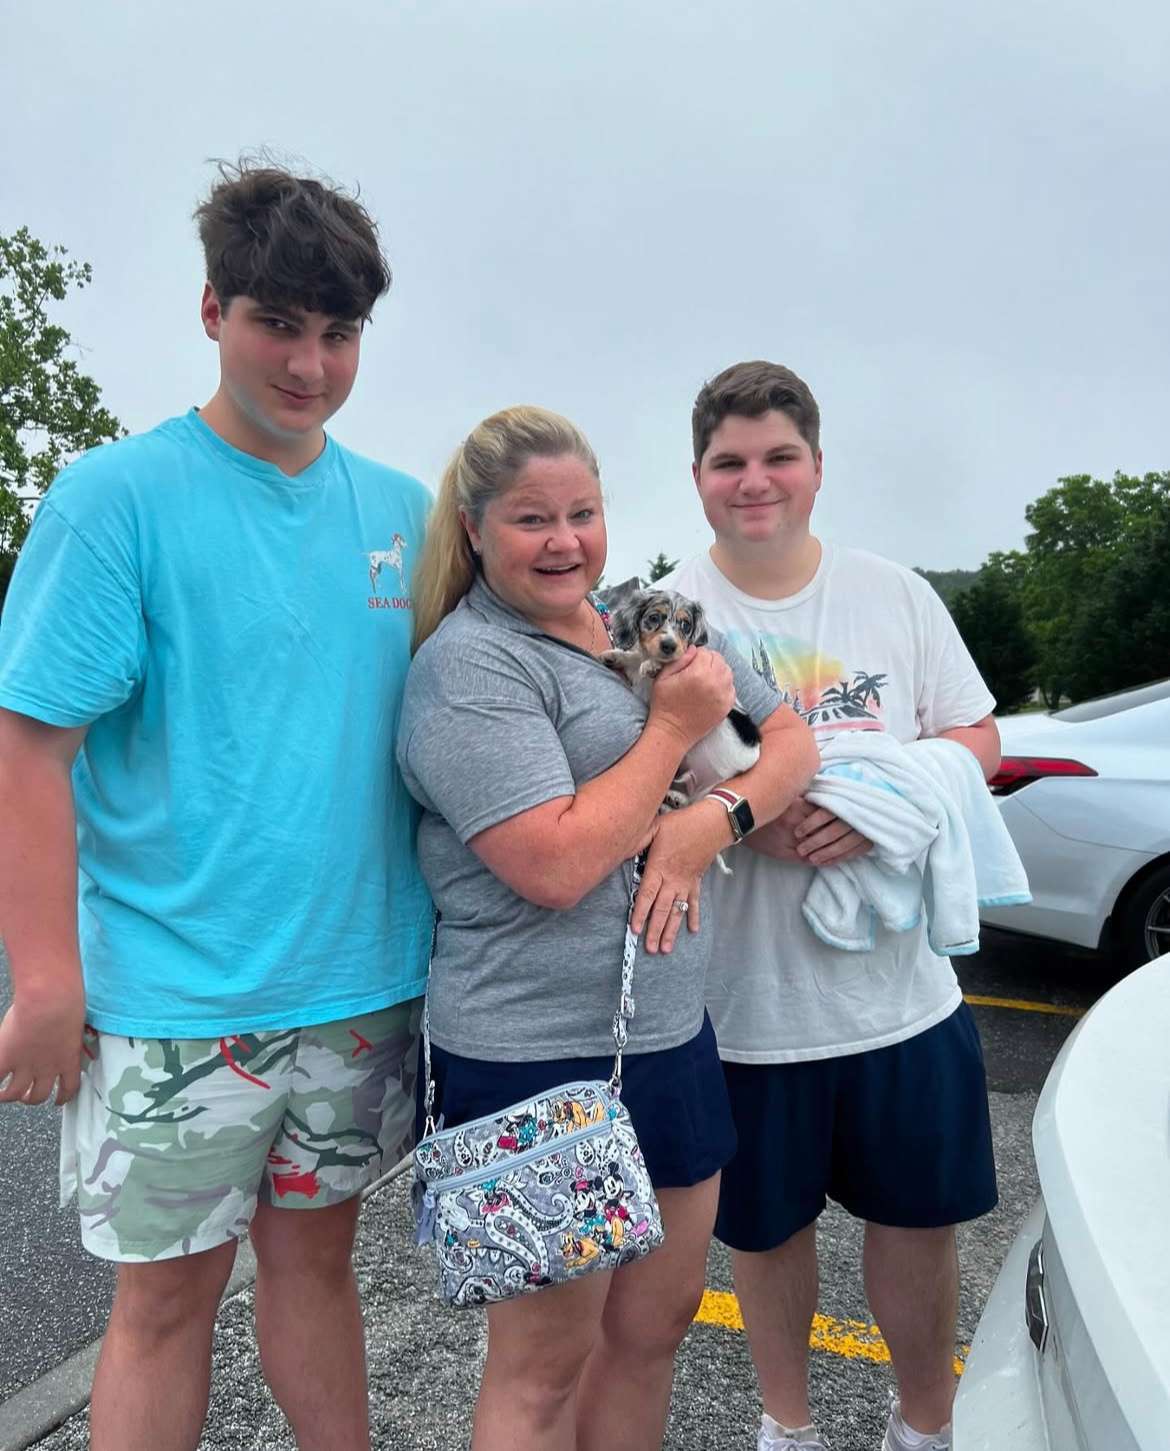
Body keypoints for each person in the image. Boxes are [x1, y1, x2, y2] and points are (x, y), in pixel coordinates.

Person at [0, 161, 433, 1451]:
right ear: (211, 310)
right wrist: (45, 977)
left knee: (317, 1270)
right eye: (277, 323)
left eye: (337, 332)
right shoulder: (114, 499)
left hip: (360, 989)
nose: (309, 363)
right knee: (164, 1303)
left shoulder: (406, 515)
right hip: (176, 997)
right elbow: (30, 749)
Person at [398, 404, 818, 1451]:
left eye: (582, 513)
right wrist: (675, 730)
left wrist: (709, 822)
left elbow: (791, 740)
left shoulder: (640, 618)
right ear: (476, 526)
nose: (565, 540)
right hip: (537, 1051)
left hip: (669, 1032)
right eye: (532, 518)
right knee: (543, 1368)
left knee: (655, 1325)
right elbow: (554, 862)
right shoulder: (472, 667)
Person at [660, 361, 1002, 1451]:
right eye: (730, 462)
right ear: (698, 474)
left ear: (815, 466)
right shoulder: (665, 612)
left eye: (778, 457)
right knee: (765, 1235)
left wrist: (882, 805)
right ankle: (788, 1425)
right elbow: (639, 781)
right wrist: (746, 804)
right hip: (747, 1005)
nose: (754, 481)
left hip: (902, 993)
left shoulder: (893, 591)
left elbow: (977, 738)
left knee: (918, 1226)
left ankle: (925, 1423)